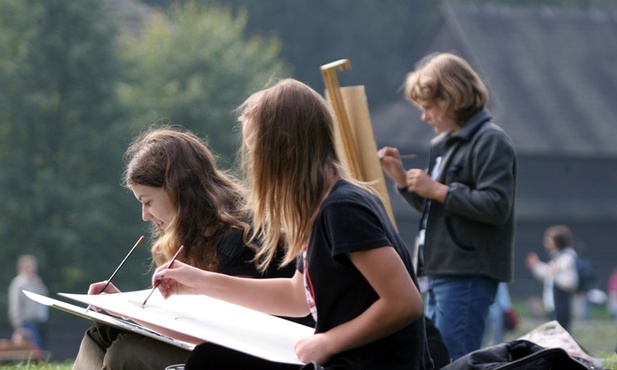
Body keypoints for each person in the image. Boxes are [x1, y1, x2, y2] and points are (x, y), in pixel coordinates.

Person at [153, 78, 433, 369]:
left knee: (208, 363)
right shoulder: (321, 209)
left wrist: (328, 342)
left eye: (257, 151)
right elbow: (296, 295)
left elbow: (405, 303)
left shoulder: (343, 208)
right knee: (208, 358)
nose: (254, 163)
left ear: (281, 152)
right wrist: (197, 281)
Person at [72, 127, 310, 370]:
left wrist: (130, 313)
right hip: (215, 348)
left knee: (124, 353)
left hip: (256, 357)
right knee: (99, 335)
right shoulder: (196, 235)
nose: (145, 215)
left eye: (148, 202)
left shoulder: (239, 238)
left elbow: (225, 332)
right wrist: (124, 307)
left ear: (176, 191)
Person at [379, 52, 517, 360]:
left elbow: (497, 206)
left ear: (451, 99)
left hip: (467, 271)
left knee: (456, 359)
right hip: (439, 270)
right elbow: (440, 209)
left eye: (428, 107)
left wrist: (439, 190)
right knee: (437, 357)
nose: (424, 116)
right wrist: (402, 180)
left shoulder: (491, 140)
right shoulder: (443, 145)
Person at [526, 224, 578, 331]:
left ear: (557, 242)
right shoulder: (557, 257)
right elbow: (548, 273)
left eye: (549, 240)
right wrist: (536, 266)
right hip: (554, 304)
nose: (546, 243)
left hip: (562, 304)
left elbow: (570, 282)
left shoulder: (567, 258)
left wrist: (555, 275)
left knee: (561, 334)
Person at [8, 254, 49, 350]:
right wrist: (17, 322)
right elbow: (15, 303)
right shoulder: (18, 283)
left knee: (36, 343)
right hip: (24, 320)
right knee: (32, 345)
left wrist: (40, 285)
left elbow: (44, 297)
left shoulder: (35, 282)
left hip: (36, 319)